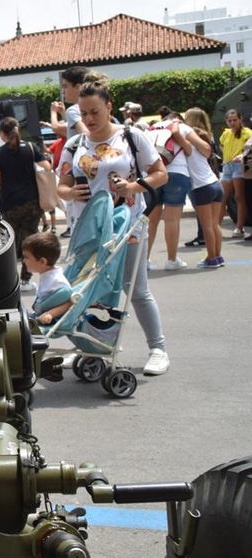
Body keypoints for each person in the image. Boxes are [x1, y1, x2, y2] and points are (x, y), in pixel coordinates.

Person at [56, 71, 171, 376]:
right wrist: (71, 192)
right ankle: (90, 347)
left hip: (127, 226)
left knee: (136, 289)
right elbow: (62, 186)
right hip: (87, 229)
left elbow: (160, 174)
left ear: (109, 107)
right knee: (86, 289)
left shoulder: (131, 136)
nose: (89, 119)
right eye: (83, 113)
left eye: (94, 112)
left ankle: (158, 349)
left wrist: (133, 187)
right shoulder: (74, 144)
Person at [0, 116, 49, 293]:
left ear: (2, 134)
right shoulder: (31, 148)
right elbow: (47, 167)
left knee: (9, 243)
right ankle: (25, 280)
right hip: (32, 203)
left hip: (10, 205)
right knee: (29, 242)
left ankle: (8, 281)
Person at [143, 114, 199, 271]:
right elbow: (190, 150)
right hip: (177, 174)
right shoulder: (181, 127)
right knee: (172, 220)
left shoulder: (149, 129)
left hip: (153, 175)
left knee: (151, 221)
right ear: (177, 118)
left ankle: (144, 260)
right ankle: (171, 260)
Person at [48, 65, 90, 237]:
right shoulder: (79, 110)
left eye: (65, 86)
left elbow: (81, 133)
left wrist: (53, 113)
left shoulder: (74, 109)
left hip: (78, 169)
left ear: (78, 87)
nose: (63, 91)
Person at [181, 107, 224, 267]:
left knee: (207, 227)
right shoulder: (206, 138)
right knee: (215, 224)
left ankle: (211, 258)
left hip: (200, 187)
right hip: (215, 183)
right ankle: (218, 256)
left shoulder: (188, 142)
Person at [22, 231, 72, 326]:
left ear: (42, 261)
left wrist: (50, 314)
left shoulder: (57, 282)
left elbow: (70, 302)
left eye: (26, 257)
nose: (24, 261)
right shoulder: (48, 275)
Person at [218, 109, 252, 238]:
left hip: (240, 166)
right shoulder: (226, 133)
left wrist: (241, 154)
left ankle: (239, 227)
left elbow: (249, 148)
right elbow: (221, 145)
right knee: (222, 197)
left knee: (239, 196)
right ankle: (216, 226)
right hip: (227, 165)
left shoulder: (247, 132)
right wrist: (227, 153)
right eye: (229, 121)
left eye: (235, 120)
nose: (232, 123)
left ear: (240, 119)